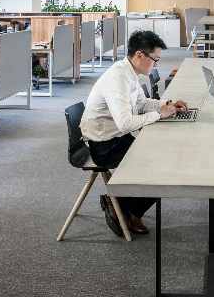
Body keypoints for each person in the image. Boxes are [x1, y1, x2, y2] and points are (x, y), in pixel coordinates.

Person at [81, 30, 189, 238]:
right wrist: (159, 115)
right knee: (164, 163)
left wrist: (167, 104)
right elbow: (125, 123)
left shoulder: (129, 72)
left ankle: (122, 205)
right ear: (140, 55)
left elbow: (140, 103)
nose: (156, 65)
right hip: (104, 145)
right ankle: (122, 205)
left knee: (167, 155)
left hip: (115, 136)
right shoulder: (118, 79)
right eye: (155, 60)